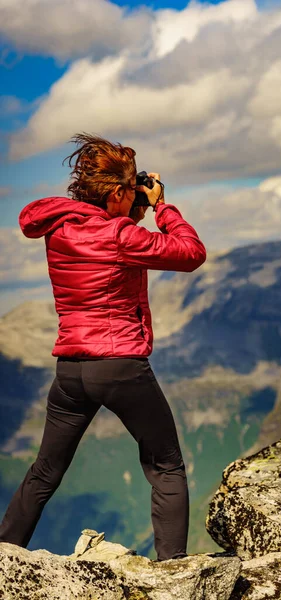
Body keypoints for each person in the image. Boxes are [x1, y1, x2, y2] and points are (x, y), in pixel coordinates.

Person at [0, 133, 207, 562]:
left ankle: (5, 552)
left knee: (44, 471)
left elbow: (100, 233)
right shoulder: (121, 236)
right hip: (119, 367)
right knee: (166, 467)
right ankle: (174, 575)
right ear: (116, 192)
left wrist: (132, 207)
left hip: (71, 370)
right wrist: (163, 206)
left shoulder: (58, 229)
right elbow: (191, 252)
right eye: (130, 189)